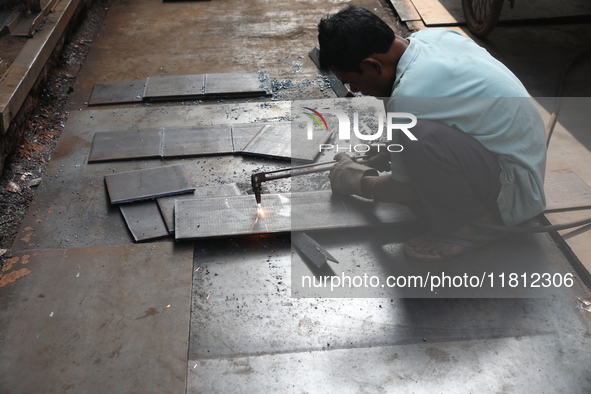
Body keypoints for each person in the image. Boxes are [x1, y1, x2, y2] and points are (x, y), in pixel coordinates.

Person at [317, 5, 547, 262]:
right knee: (414, 136)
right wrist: (392, 150)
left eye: (352, 82)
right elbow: (452, 114)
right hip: (522, 166)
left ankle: (476, 227)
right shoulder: (432, 37)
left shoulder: (408, 98)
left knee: (420, 136)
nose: (356, 90)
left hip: (512, 191)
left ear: (372, 66)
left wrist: (359, 181)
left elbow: (405, 190)